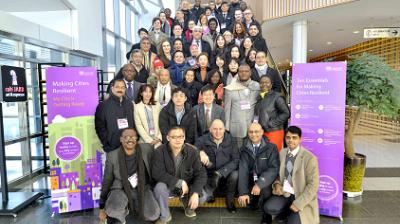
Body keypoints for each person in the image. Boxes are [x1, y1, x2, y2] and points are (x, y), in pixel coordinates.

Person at [99, 128, 160, 223]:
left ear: (136, 139)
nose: (129, 139)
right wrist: (102, 206)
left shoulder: (147, 149)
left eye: (132, 137)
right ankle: (124, 211)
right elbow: (107, 180)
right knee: (112, 210)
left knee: (153, 214)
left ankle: (135, 206)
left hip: (143, 188)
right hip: (121, 189)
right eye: (126, 137)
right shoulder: (112, 156)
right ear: (121, 139)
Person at [263, 126, 320, 224]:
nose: (290, 140)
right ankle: (287, 211)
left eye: (294, 137)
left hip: (299, 195)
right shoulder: (282, 153)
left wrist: (298, 204)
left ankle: (292, 212)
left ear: (300, 139)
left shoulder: (310, 158)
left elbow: (313, 185)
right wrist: (277, 184)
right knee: (269, 208)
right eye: (288, 137)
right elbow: (277, 175)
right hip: (284, 193)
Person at [152, 126, 208, 223]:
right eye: (174, 137)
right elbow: (157, 173)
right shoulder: (159, 151)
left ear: (184, 137)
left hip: (187, 188)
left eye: (181, 136)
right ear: (168, 138)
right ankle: (165, 216)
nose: (178, 140)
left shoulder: (192, 152)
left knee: (202, 197)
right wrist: (178, 182)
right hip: (169, 186)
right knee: (159, 188)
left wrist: (195, 193)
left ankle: (188, 206)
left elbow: (201, 174)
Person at [238, 123, 279, 222]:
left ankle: (266, 215)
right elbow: (243, 169)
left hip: (264, 181)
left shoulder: (271, 147)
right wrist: (243, 193)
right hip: (251, 179)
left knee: (265, 189)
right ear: (248, 133)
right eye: (251, 132)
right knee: (246, 200)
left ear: (262, 132)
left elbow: (273, 169)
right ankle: (254, 200)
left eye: (256, 132)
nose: (254, 134)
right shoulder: (244, 148)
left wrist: (259, 184)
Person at [195, 119, 239, 213]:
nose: (218, 132)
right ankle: (211, 194)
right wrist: (200, 152)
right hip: (209, 176)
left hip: (225, 174)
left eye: (220, 129)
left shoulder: (232, 140)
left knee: (235, 175)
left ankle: (230, 200)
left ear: (224, 129)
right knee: (200, 200)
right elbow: (194, 149)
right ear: (210, 129)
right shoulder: (202, 139)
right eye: (215, 129)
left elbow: (236, 160)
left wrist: (220, 172)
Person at [224, 64, 260, 148]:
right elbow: (227, 108)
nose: (244, 73)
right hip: (236, 127)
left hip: (252, 127)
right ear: (238, 73)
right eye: (241, 71)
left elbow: (260, 106)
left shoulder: (257, 86)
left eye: (246, 71)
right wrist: (227, 127)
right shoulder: (230, 88)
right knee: (238, 153)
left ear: (250, 73)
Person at [95, 79, 135, 153]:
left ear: (125, 89)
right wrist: (107, 144)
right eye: (117, 87)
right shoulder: (103, 106)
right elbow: (100, 127)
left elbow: (134, 123)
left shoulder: (129, 104)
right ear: (112, 88)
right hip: (112, 147)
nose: (120, 89)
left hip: (129, 146)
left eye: (122, 87)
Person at [255, 75, 290, 151]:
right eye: (262, 82)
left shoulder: (277, 97)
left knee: (274, 155)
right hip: (262, 132)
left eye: (267, 82)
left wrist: (271, 124)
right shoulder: (259, 97)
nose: (264, 84)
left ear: (271, 84)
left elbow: (286, 113)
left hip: (274, 132)